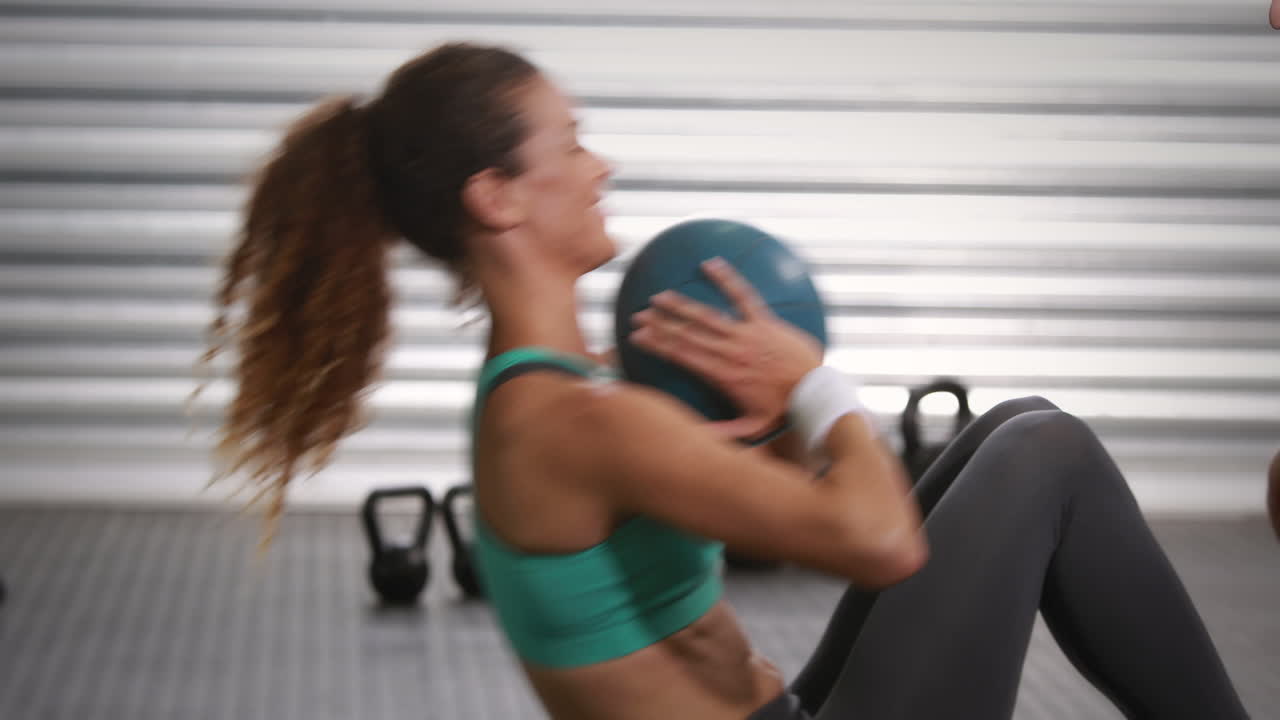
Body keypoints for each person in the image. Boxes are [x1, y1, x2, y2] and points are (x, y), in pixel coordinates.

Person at [202, 43, 1250, 719]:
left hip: (781, 709)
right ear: (497, 198)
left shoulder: (560, 389)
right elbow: (879, 542)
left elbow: (784, 511)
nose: (599, 166)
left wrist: (782, 424)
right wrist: (814, 386)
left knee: (1013, 426)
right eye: (569, 143)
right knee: (1044, 450)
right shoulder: (574, 420)